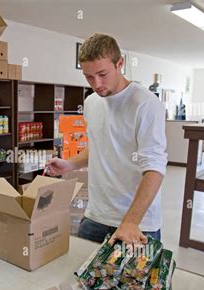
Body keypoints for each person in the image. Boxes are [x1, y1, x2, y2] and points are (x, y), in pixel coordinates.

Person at [46, 33, 167, 247]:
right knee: (84, 280)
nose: (97, 83)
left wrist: (130, 222)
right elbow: (98, 146)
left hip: (137, 223)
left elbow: (155, 168)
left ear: (120, 63)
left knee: (131, 281)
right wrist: (70, 164)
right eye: (89, 77)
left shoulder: (145, 104)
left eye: (102, 74)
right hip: (95, 217)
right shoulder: (92, 102)